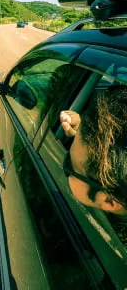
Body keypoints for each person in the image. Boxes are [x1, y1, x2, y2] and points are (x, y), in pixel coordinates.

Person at [60, 85, 127, 247]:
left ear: (110, 202)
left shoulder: (112, 246)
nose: (66, 155)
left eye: (69, 164)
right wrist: (80, 137)